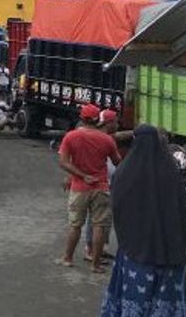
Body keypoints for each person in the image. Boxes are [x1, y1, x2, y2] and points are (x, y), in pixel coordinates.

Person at [99, 124, 186, 316]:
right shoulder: (172, 174)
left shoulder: (124, 173)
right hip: (170, 255)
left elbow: (117, 206)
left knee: (135, 300)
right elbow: (182, 210)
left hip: (136, 253)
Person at [57, 104, 122, 273]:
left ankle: (68, 258)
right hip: (101, 187)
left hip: (79, 187)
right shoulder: (107, 140)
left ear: (82, 118)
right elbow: (117, 162)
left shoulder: (71, 136)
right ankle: (95, 264)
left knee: (75, 225)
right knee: (99, 226)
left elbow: (63, 162)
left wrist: (81, 175)